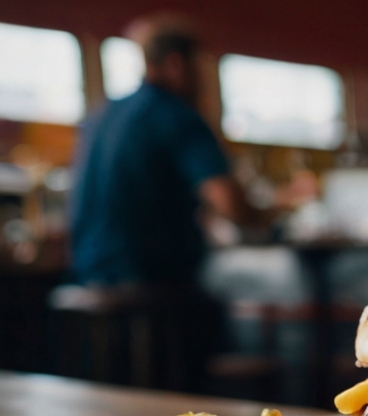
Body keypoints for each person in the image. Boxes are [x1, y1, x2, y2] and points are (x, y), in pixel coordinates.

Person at [64, 20, 242, 390]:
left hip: (87, 272)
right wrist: (270, 212)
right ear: (178, 64)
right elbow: (229, 204)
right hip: (150, 278)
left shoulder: (102, 114)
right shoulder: (177, 114)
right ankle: (205, 412)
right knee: (224, 306)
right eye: (202, 69)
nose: (205, 81)